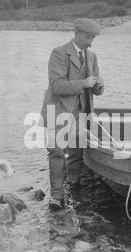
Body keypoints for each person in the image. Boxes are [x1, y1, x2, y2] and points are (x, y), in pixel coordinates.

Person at [40, 18, 104, 210]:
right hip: (57, 110)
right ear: (77, 34)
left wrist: (99, 85)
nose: (90, 42)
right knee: (57, 152)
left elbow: (97, 91)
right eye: (88, 38)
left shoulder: (92, 57)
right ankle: (57, 196)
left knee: (76, 152)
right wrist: (83, 83)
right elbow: (56, 86)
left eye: (93, 38)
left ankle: (73, 186)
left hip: (80, 112)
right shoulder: (59, 53)